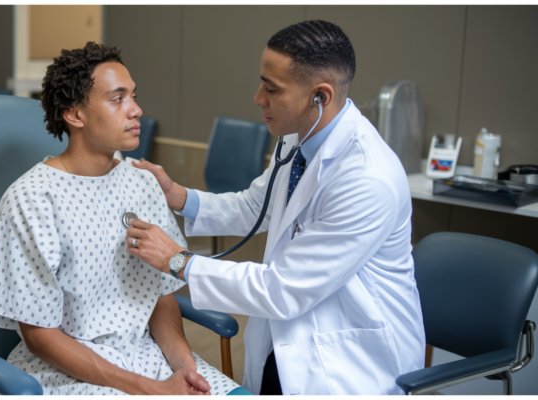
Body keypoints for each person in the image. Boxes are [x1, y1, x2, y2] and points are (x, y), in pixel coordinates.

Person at [127, 20, 426, 395]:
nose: (258, 97)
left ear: (321, 96)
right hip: (285, 339)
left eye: (271, 88)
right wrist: (178, 196)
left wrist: (179, 261)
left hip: (348, 366)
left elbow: (283, 289)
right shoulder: (297, 137)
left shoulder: (368, 179)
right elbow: (258, 206)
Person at [0, 42, 239, 395]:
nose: (136, 110)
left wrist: (187, 370)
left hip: (144, 355)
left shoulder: (142, 182)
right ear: (75, 115)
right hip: (66, 371)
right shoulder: (32, 200)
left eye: (133, 96)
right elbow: (40, 337)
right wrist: (149, 389)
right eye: (118, 99)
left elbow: (160, 296)